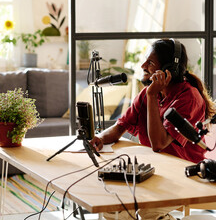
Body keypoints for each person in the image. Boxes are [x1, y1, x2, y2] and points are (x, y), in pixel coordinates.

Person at [91, 39, 216, 220]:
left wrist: (151, 95)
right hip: (155, 170)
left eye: (150, 63)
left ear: (168, 69)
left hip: (184, 173)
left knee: (149, 213)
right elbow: (120, 127)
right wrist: (100, 138)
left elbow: (159, 143)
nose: (143, 66)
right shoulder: (149, 93)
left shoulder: (188, 98)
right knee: (114, 208)